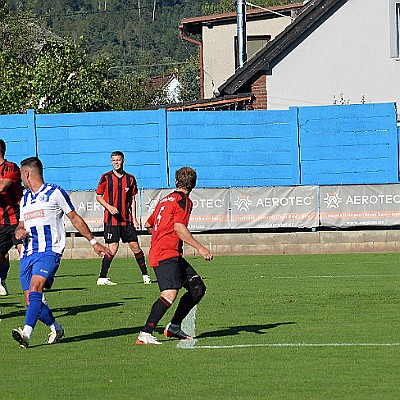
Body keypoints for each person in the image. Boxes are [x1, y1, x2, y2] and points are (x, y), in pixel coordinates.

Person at [12, 157, 112, 348]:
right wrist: (19, 230)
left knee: (35, 289)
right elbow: (22, 224)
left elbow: (74, 218)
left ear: (27, 173)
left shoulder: (55, 192)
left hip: (49, 251)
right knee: (30, 301)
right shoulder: (24, 199)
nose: (20, 179)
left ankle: (26, 333)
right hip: (27, 253)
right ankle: (56, 327)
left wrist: (93, 242)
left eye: (21, 175)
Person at [136, 166, 213, 345]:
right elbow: (179, 228)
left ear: (176, 181)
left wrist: (161, 234)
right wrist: (201, 248)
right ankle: (145, 333)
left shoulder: (165, 200)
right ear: (193, 184)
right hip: (165, 254)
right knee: (170, 293)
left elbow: (148, 224)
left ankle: (173, 327)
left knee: (197, 288)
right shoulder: (184, 201)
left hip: (169, 253)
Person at [95, 151, 151, 285]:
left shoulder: (130, 179)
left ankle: (145, 275)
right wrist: (109, 207)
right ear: (111, 162)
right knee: (113, 248)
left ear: (123, 161)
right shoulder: (106, 177)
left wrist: (136, 219)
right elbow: (98, 196)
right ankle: (102, 277)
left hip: (127, 221)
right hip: (111, 220)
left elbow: (132, 199)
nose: (116, 162)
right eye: (114, 160)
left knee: (135, 247)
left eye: (118, 160)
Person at [0, 139, 23, 296]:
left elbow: (2, 186)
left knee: (25, 251)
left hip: (16, 219)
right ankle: (2, 279)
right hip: (1, 221)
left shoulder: (11, 167)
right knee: (1, 254)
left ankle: (35, 284)